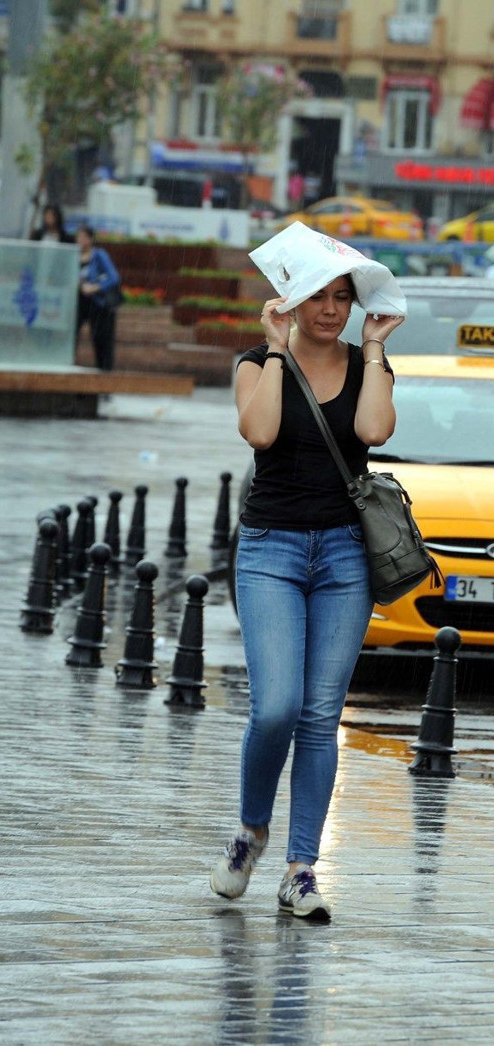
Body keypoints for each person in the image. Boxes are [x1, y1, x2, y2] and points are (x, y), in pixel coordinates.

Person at [210, 235, 405, 921]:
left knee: (322, 718)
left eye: (342, 296)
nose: (330, 309)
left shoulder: (365, 362)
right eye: (318, 295)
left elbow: (375, 430)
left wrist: (377, 347)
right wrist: (273, 348)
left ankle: (300, 870)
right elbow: (258, 434)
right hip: (271, 551)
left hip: (346, 558)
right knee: (276, 708)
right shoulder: (257, 363)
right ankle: (249, 832)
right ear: (292, 297)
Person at [75, 224, 121, 372]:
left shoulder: (99, 255)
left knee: (101, 341)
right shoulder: (73, 254)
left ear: (90, 239)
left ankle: (104, 375)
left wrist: (95, 287)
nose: (80, 240)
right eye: (78, 237)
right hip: (78, 301)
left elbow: (114, 277)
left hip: (98, 303)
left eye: (83, 237)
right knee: (72, 337)